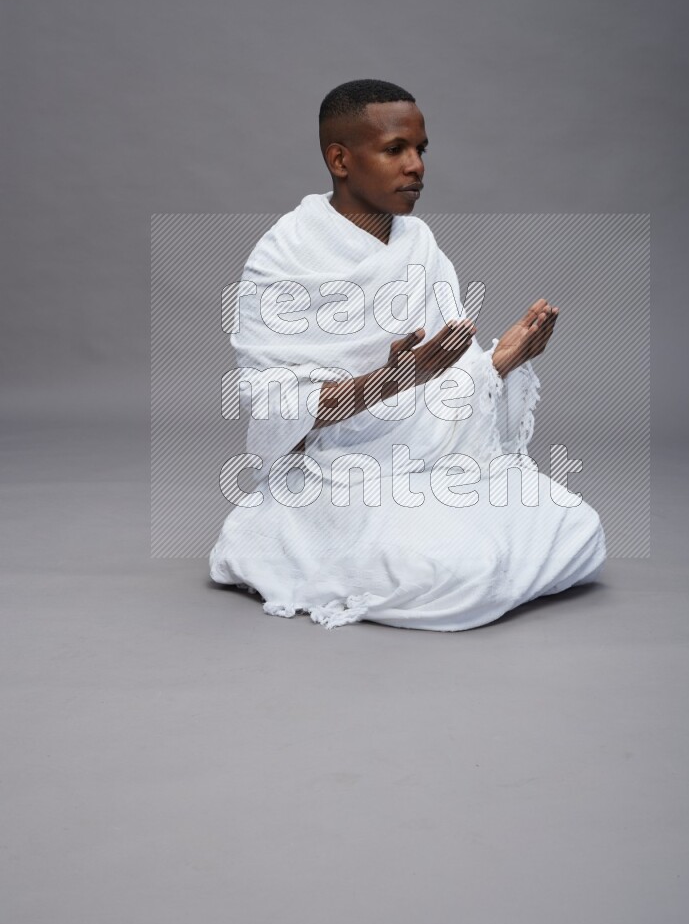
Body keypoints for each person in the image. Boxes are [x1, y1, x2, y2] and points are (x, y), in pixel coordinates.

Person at [209, 79, 606, 630]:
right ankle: (297, 536)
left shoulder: (420, 244)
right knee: (459, 572)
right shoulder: (284, 257)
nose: (416, 166)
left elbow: (447, 377)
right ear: (340, 158)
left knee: (578, 528)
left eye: (421, 150)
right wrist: (390, 381)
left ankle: (456, 539)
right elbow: (274, 407)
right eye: (396, 150)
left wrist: (500, 362)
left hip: (434, 461)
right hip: (342, 473)